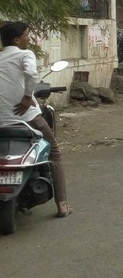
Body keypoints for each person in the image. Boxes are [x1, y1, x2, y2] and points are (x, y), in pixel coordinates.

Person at [0, 21, 71, 218]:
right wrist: (26, 96)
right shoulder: (25, 55)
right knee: (54, 153)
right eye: (26, 35)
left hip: (2, 122)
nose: (29, 38)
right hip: (27, 119)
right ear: (16, 39)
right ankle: (62, 205)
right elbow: (31, 74)